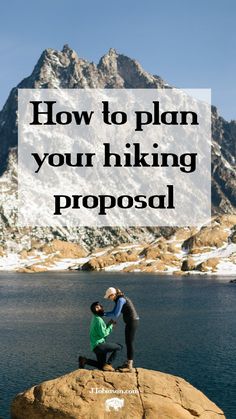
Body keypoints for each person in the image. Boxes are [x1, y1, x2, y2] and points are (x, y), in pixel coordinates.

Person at [79, 301, 122, 372]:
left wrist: (109, 324)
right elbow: (103, 334)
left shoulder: (95, 318)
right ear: (94, 310)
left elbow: (101, 332)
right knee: (120, 346)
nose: (99, 308)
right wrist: (111, 326)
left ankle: (84, 360)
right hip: (100, 345)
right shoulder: (98, 320)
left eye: (99, 307)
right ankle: (109, 364)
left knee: (101, 366)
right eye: (96, 307)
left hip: (95, 347)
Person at [104, 287, 139, 372]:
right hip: (131, 322)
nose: (109, 299)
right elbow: (113, 312)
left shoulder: (120, 300)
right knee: (128, 342)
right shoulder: (119, 299)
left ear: (112, 295)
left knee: (129, 342)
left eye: (109, 297)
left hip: (132, 322)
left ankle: (129, 366)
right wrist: (103, 314)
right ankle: (128, 363)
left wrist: (103, 314)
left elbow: (116, 314)